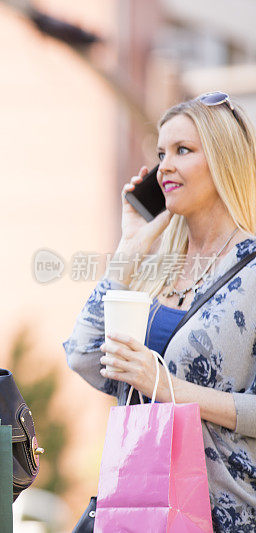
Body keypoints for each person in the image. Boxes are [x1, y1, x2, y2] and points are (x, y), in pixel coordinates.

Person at [64, 92, 256, 531]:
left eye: (183, 151)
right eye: (160, 153)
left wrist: (164, 384)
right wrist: (129, 248)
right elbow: (84, 355)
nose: (164, 166)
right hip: (143, 503)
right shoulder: (156, 270)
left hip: (225, 513)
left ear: (224, 160)